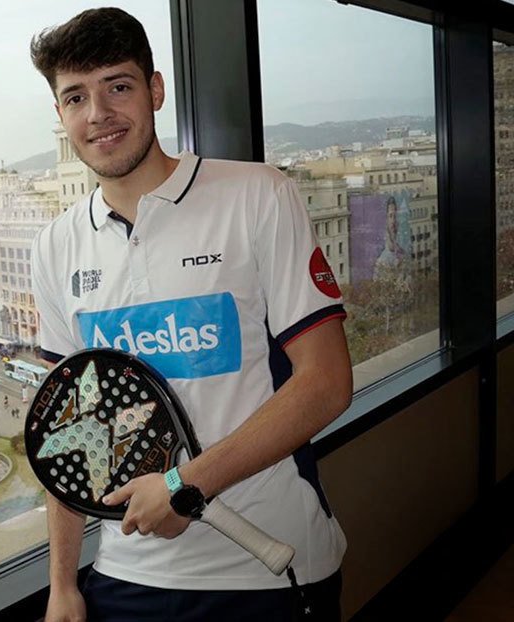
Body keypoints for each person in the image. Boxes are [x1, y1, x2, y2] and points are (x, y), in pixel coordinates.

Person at [29, 8, 352, 622]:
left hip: (272, 569)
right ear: (61, 115)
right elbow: (65, 435)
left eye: (117, 87)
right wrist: (62, 583)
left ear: (155, 91)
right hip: (126, 576)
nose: (97, 113)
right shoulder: (56, 246)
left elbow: (327, 383)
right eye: (75, 97)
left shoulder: (258, 195)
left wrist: (185, 485)